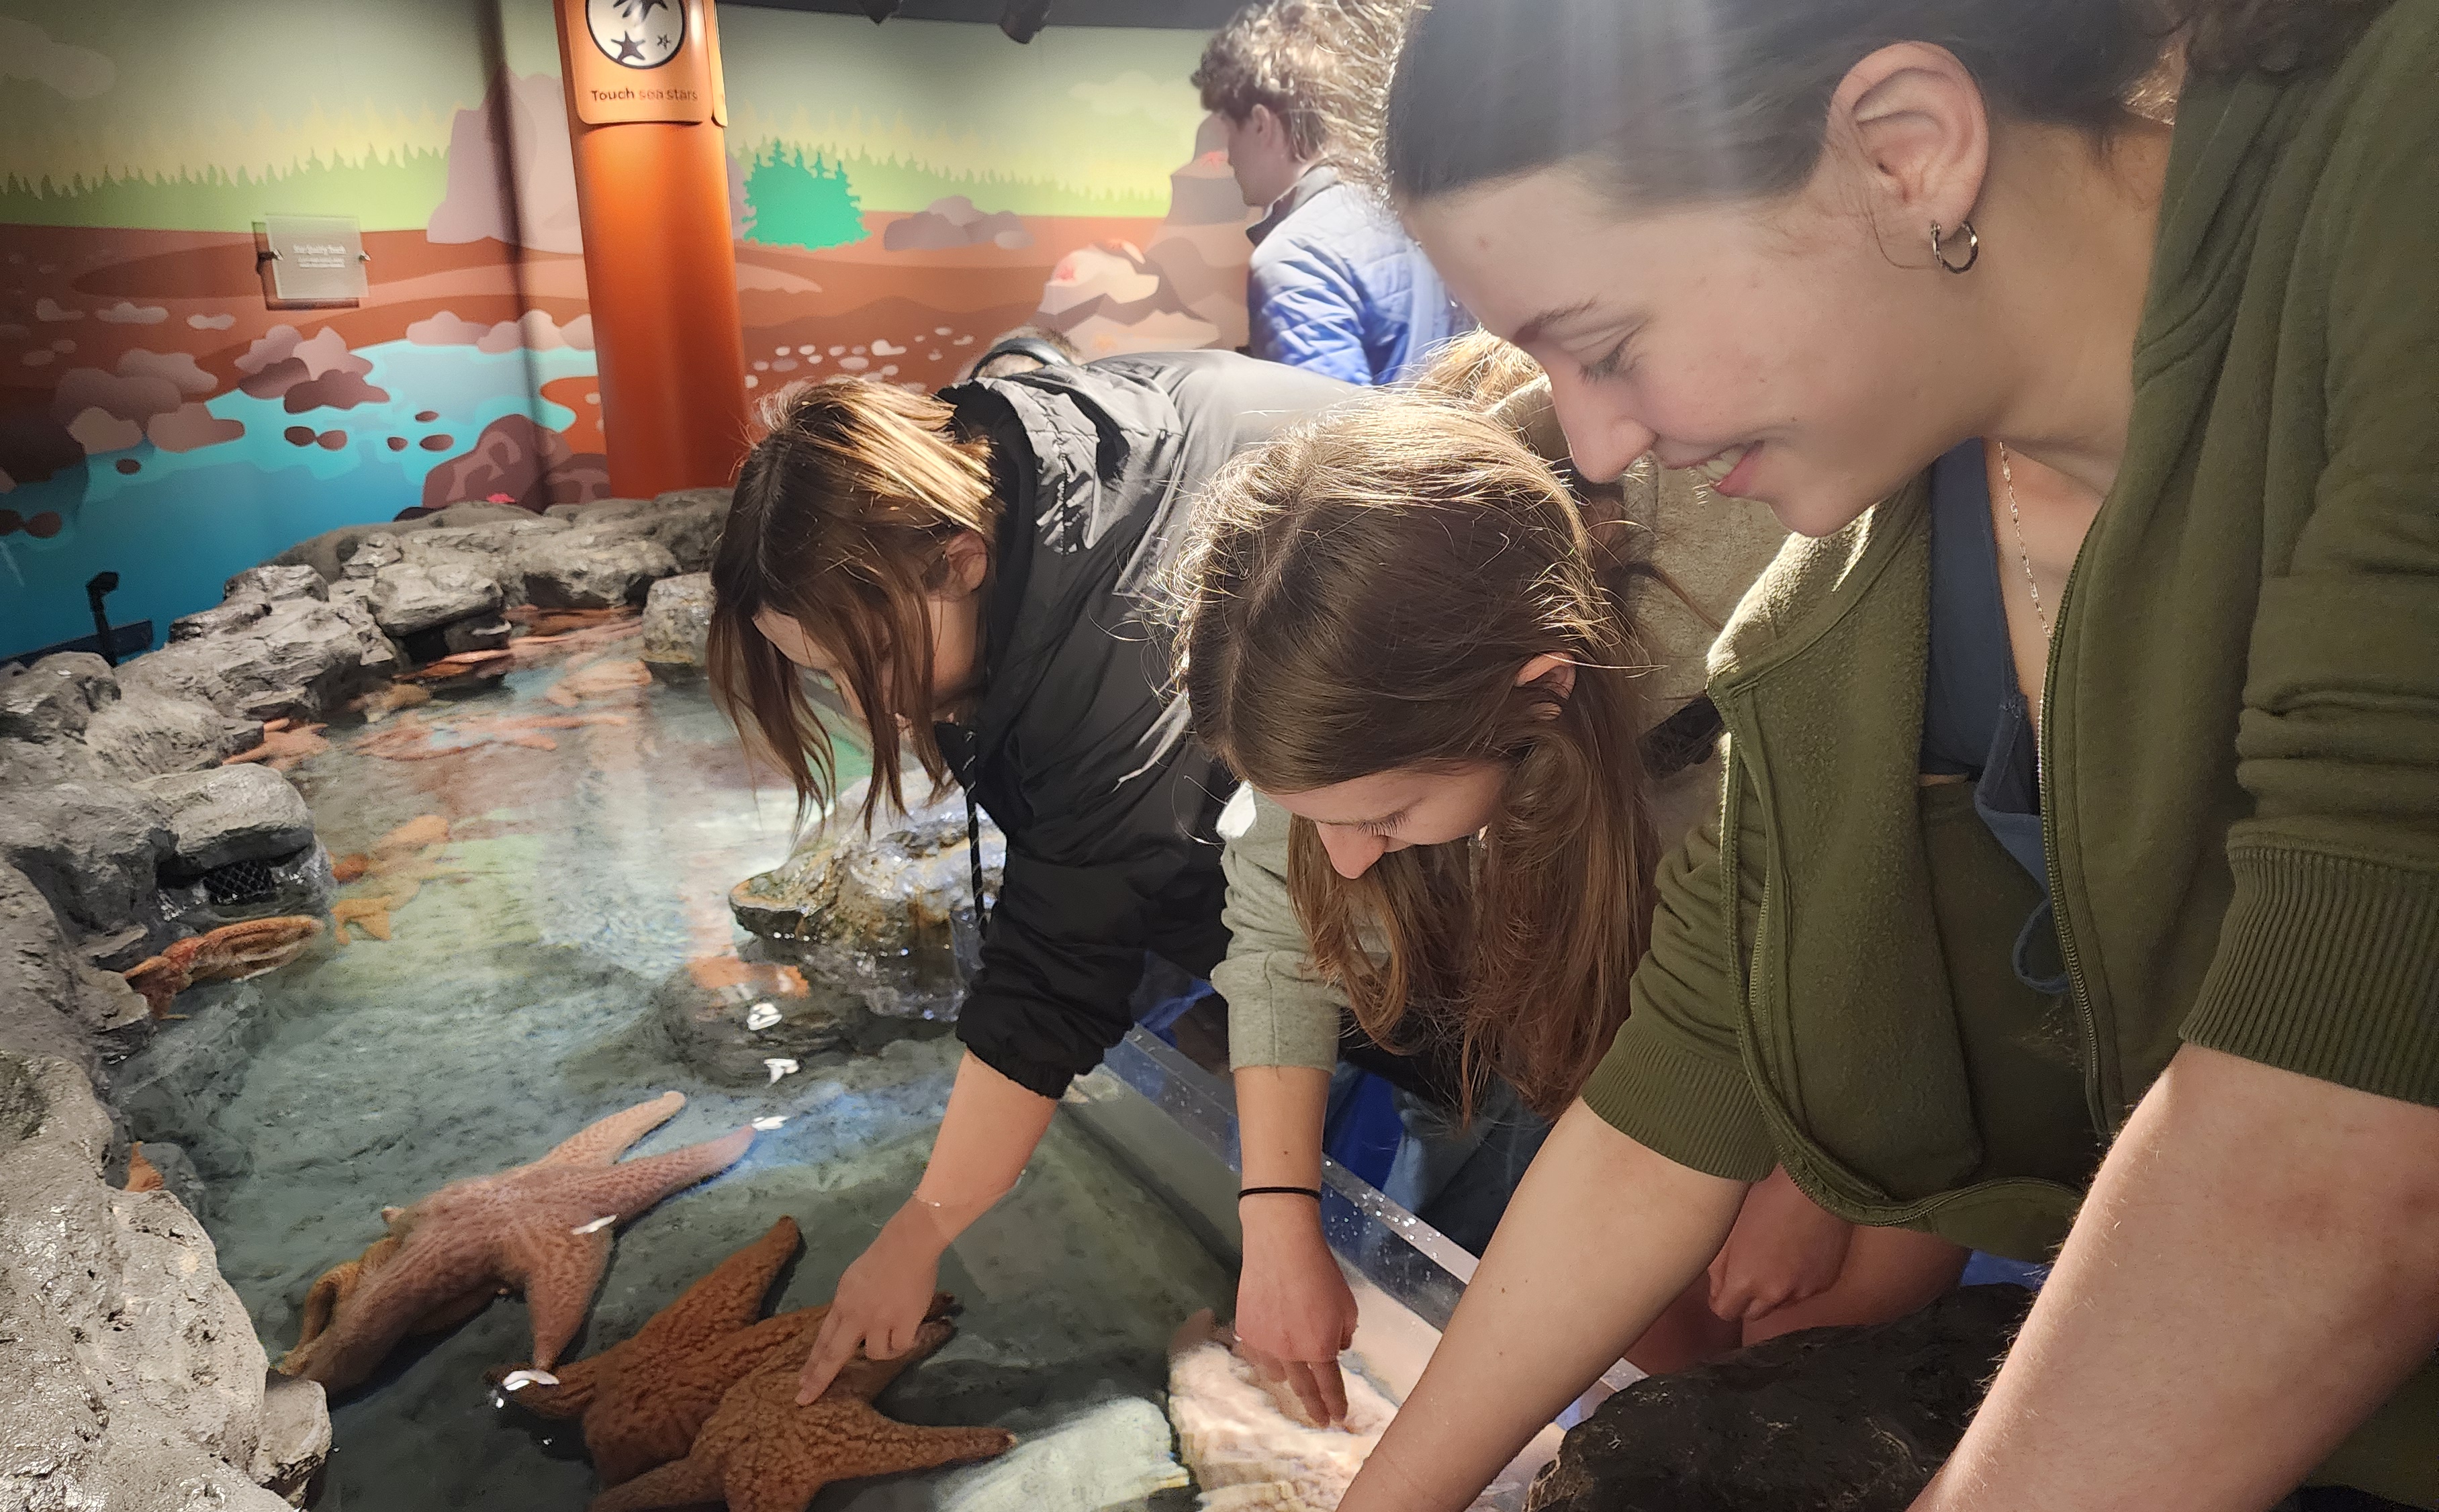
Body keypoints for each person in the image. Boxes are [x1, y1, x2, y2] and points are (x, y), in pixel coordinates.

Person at [1322, 1, 2439, 1509]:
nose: (1593, 446)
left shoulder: (2396, 185)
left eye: (1607, 347)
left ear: (1906, 150)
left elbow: (2343, 1145)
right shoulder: (1844, 609)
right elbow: (1673, 1089)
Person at [1183, 391, 1964, 1427]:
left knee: (1804, 1354)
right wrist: (1280, 1224)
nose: (1344, 858)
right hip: (1675, 1015)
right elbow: (1280, 932)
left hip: (1906, 1018)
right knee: (1652, 1357)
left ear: (1541, 694)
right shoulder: (1357, 647)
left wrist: (1818, 1178)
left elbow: (1904, 896)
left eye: (1385, 816)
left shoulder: (1774, 594)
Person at [706, 350, 1352, 1405]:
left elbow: (1059, 961)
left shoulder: (1127, 630)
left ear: (959, 562)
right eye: (820, 675)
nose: (858, 702)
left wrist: (920, 1230)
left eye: (862, 663)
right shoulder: (1021, 462)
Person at [1193, 0, 1470, 385]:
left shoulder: (1295, 260)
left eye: (1229, 131)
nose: (1227, 157)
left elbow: (1327, 423)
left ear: (1260, 124)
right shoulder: (1412, 208)